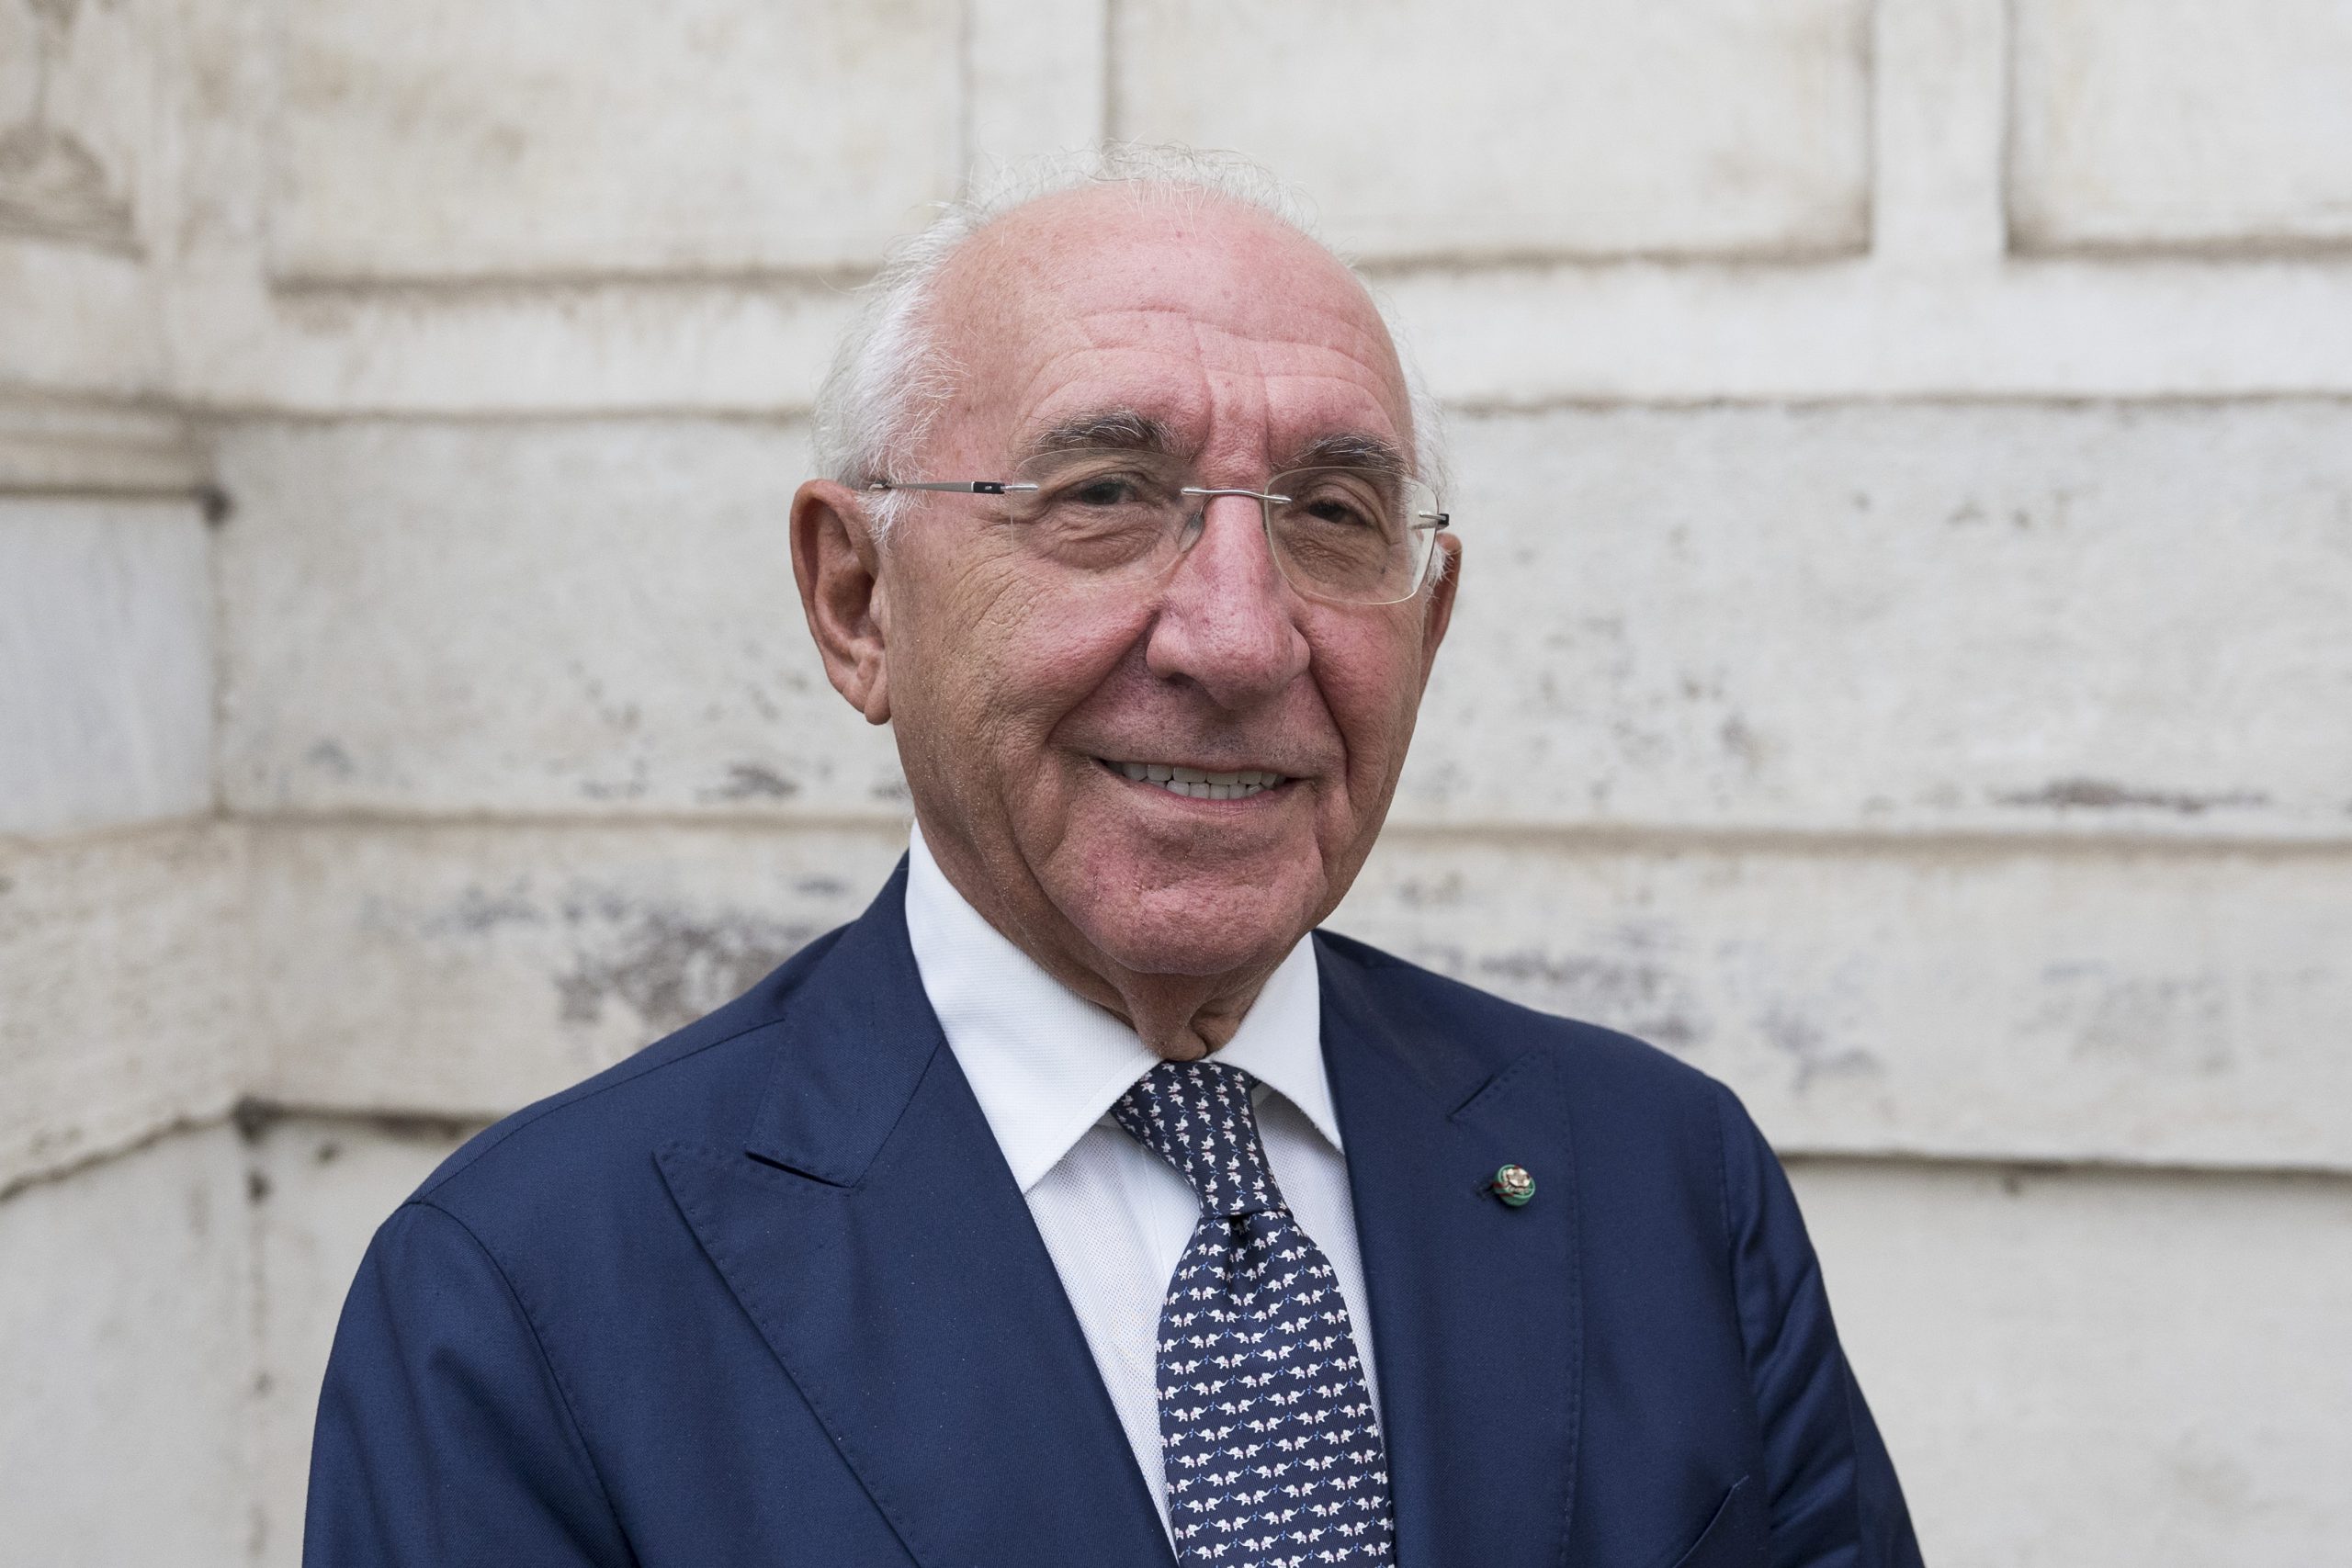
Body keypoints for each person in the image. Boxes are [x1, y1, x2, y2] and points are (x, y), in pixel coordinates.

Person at [303, 148, 1922, 1568]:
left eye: (1332, 513)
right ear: (858, 603)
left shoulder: (1660, 1180)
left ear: (1428, 626)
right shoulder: (526, 1295)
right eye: (1104, 496)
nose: (1240, 637)